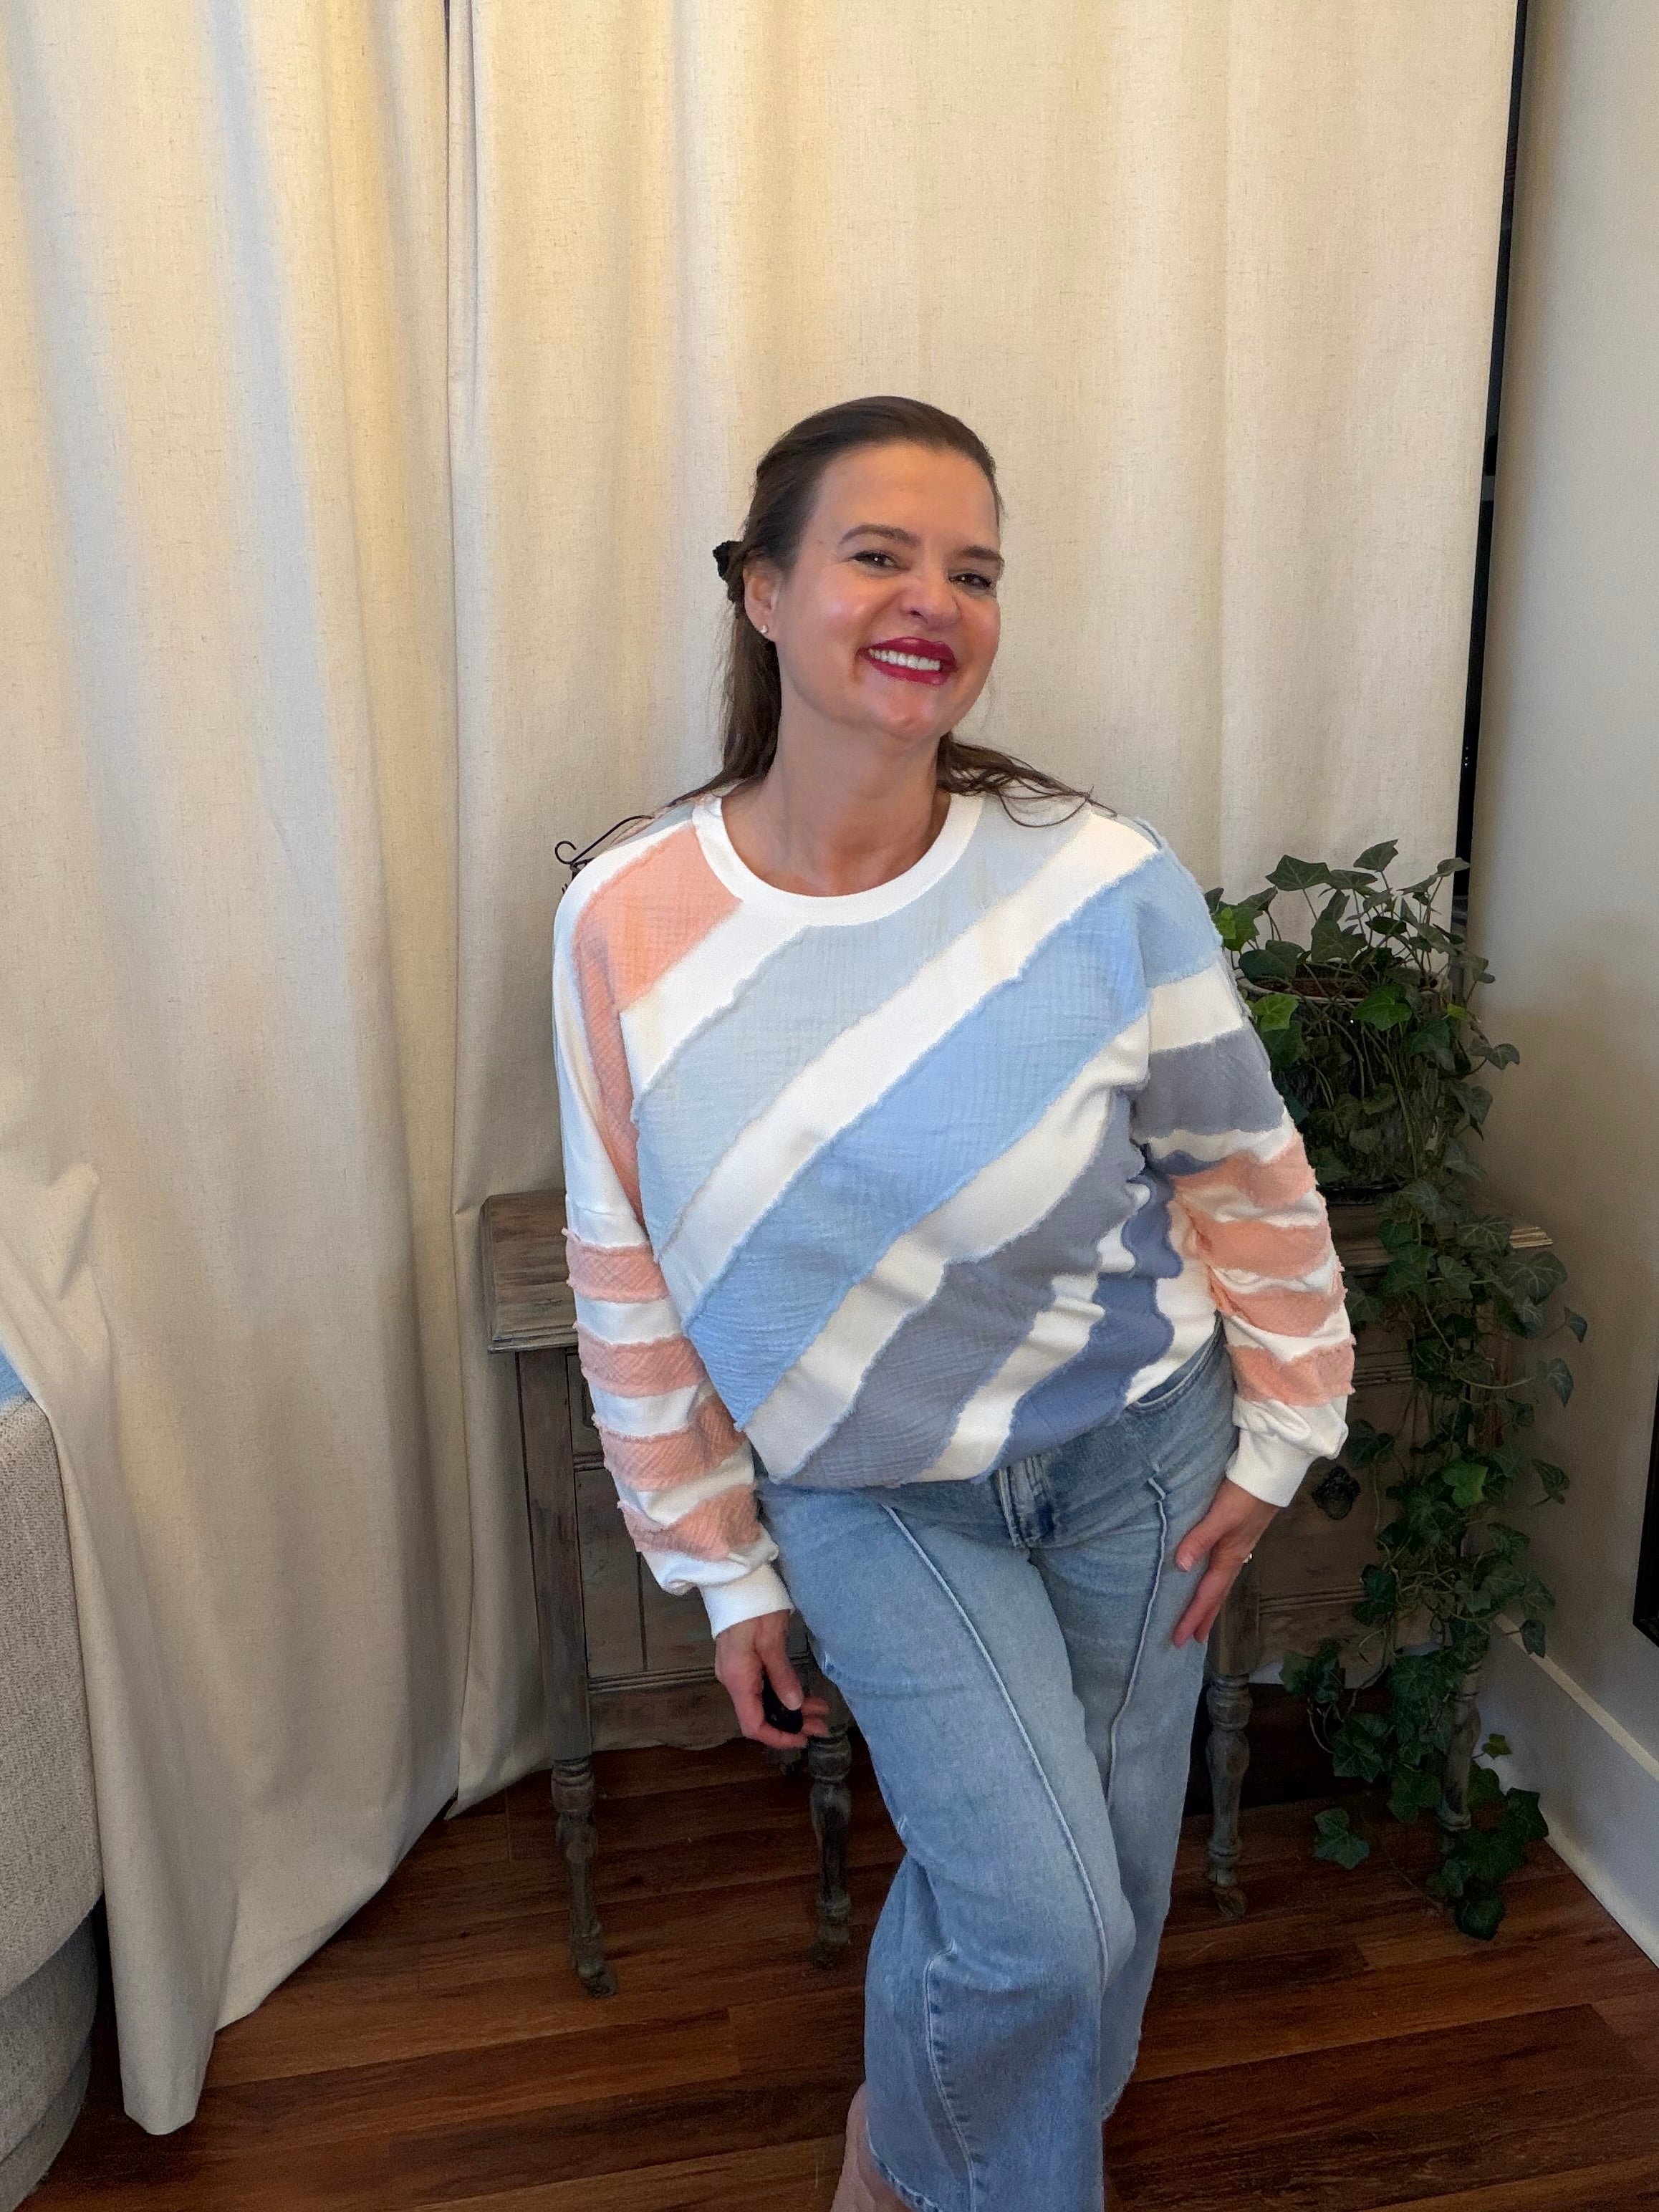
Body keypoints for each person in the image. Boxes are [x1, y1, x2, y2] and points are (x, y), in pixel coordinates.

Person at [551, 396, 1354, 2212]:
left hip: (1144, 1461)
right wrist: (721, 1557)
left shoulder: (1094, 877)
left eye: (973, 568)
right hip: (874, 1497)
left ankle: (925, 2155)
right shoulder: (629, 916)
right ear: (762, 591)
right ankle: (923, 2164)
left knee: (1104, 1902)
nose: (934, 598)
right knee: (1043, 1917)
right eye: (878, 553)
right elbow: (630, 1261)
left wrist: (1289, 1416)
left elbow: (1240, 1159)